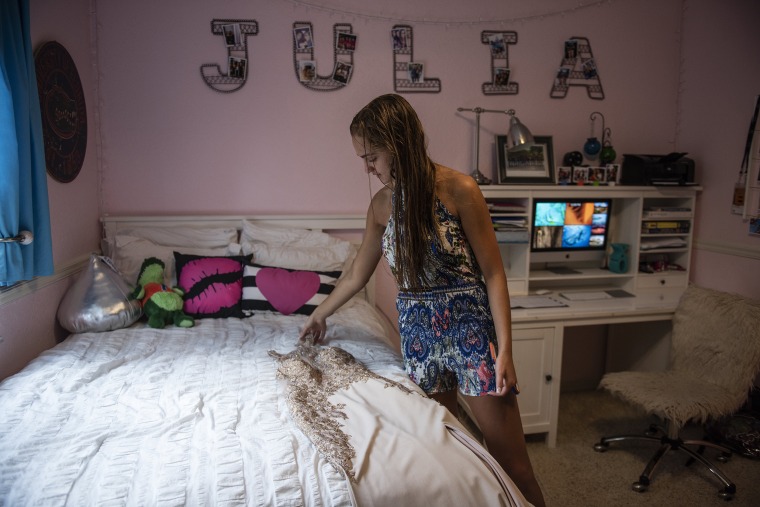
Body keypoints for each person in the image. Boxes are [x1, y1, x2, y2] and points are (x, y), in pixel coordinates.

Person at [299, 94, 546, 507]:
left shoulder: (459, 189)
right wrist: (319, 313)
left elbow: (494, 273)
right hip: (419, 338)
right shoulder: (380, 206)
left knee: (514, 464)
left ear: (395, 143)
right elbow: (358, 272)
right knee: (442, 460)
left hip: (470, 331)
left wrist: (505, 350)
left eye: (371, 155)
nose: (368, 167)